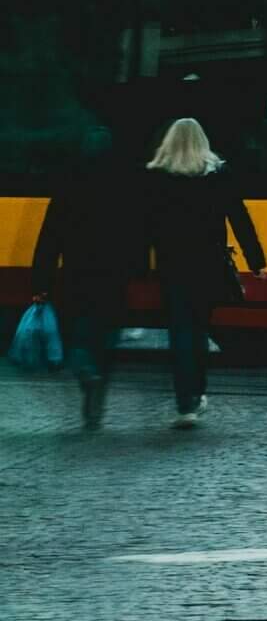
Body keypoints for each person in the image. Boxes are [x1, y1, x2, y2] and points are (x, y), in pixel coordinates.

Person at [142, 117, 266, 430]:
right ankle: (196, 392)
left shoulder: (157, 176)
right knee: (198, 328)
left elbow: (142, 225)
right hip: (209, 265)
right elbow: (239, 217)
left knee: (180, 330)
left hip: (172, 265)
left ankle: (187, 401)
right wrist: (256, 260)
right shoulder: (218, 175)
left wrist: (138, 263)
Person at [29, 161, 142, 430]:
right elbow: (138, 234)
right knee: (106, 335)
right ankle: (97, 389)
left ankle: (85, 371)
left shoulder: (67, 191)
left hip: (75, 275)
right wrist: (138, 270)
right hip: (114, 277)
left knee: (73, 332)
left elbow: (49, 239)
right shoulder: (124, 193)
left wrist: (40, 282)